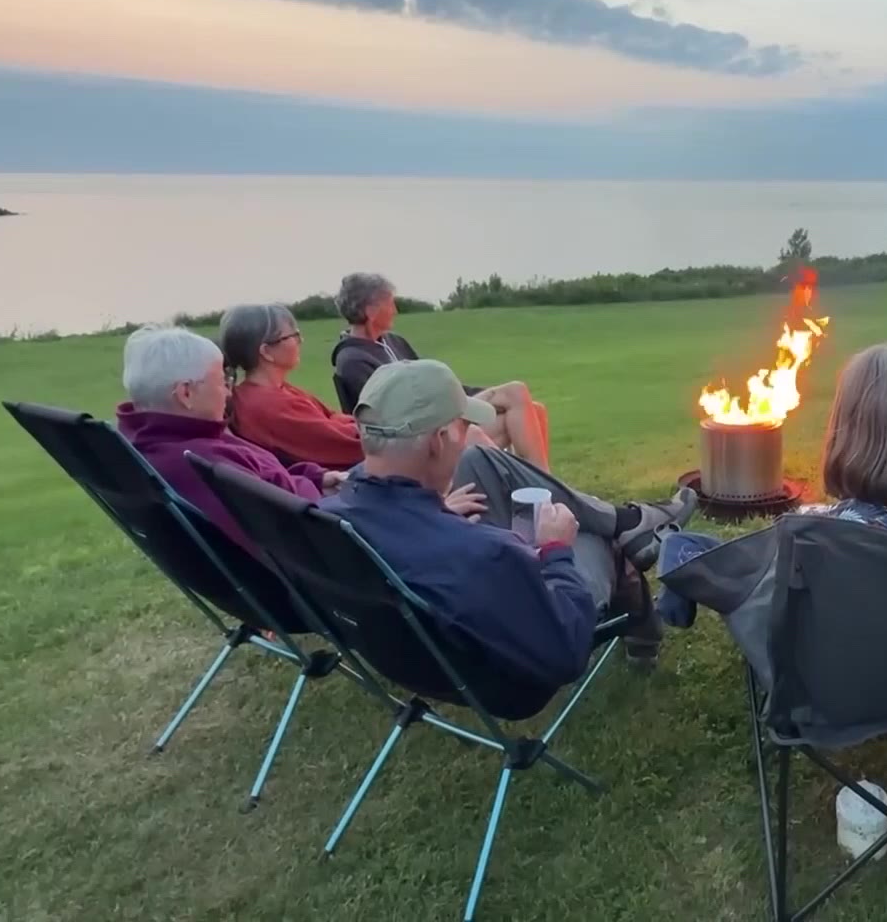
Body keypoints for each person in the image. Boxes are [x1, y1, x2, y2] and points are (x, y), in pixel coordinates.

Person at [321, 359, 697, 689]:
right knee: (598, 538)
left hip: (407, 647)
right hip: (496, 675)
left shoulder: (330, 515)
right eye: (463, 427)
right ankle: (633, 554)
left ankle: (626, 525)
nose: (467, 438)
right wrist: (555, 552)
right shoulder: (485, 551)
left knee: (484, 461)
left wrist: (436, 513)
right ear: (438, 439)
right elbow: (564, 650)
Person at [656, 343, 887, 625]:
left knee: (727, 564)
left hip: (850, 685)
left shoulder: (818, 535)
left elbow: (751, 589)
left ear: (849, 430)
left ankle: (679, 553)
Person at [113, 325, 345, 553]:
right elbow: (301, 538)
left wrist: (314, 478)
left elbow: (265, 481)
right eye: (222, 382)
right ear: (186, 393)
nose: (227, 392)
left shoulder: (155, 439)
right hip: (328, 545)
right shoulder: (199, 464)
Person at [328, 272, 554, 470]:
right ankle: (540, 489)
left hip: (440, 414)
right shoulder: (352, 361)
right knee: (516, 395)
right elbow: (386, 419)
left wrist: (472, 395)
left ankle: (541, 486)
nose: (395, 310)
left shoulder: (393, 342)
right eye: (390, 303)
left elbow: (431, 383)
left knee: (533, 409)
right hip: (425, 434)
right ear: (371, 311)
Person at [220, 303, 366, 470]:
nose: (300, 341)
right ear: (266, 351)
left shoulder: (276, 390)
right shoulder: (269, 405)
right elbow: (350, 445)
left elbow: (332, 418)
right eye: (293, 335)